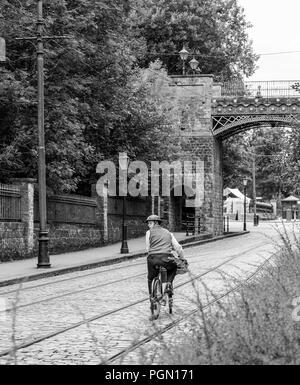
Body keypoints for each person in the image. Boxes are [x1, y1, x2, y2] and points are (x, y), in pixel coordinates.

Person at [145, 215, 185, 298]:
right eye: (148, 223)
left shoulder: (149, 233)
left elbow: (148, 248)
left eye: (150, 223)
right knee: (173, 267)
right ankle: (169, 284)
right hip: (166, 258)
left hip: (152, 258)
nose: (148, 225)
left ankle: (151, 297)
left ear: (156, 223)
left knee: (150, 278)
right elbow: (178, 247)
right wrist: (181, 257)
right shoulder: (168, 233)